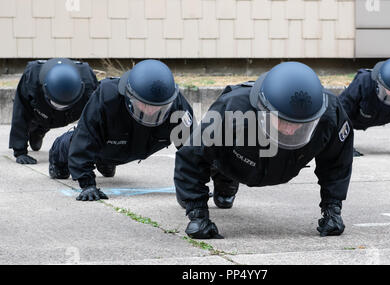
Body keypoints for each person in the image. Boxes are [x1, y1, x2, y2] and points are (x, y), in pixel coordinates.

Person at [174, 62, 354, 239]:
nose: (291, 130)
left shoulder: (331, 114)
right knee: (212, 188)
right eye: (284, 121)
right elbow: (192, 155)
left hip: (286, 165)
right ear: (264, 110)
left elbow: (337, 162)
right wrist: (197, 213)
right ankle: (225, 181)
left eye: (299, 124)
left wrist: (333, 208)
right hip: (234, 161)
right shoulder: (232, 109)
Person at [48, 59, 195, 201]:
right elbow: (84, 140)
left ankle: (105, 163)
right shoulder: (106, 98)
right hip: (104, 142)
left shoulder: (179, 109)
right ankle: (58, 155)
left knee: (110, 158)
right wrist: (87, 184)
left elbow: (194, 151)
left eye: (157, 108)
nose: (150, 112)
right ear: (130, 96)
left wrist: (196, 188)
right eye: (144, 105)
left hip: (133, 145)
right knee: (73, 145)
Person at [9, 58, 99, 164]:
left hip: (72, 113)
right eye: (58, 104)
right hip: (40, 112)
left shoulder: (88, 80)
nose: (60, 107)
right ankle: (37, 131)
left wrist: (98, 152)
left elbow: (97, 117)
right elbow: (20, 112)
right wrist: (20, 151)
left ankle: (40, 130)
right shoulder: (32, 77)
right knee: (36, 119)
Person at [338, 58, 390, 157]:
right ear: (378, 83)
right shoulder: (363, 82)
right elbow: (341, 113)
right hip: (357, 118)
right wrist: (344, 146)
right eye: (388, 91)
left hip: (385, 115)